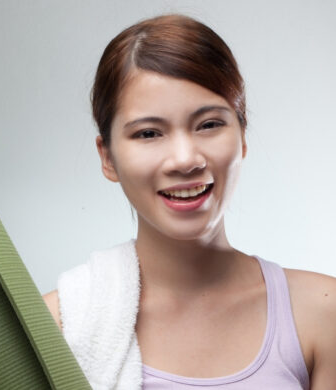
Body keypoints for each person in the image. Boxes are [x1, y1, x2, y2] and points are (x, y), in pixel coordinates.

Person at [43, 13, 336, 389]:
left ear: (242, 136)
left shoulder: (321, 313)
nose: (185, 159)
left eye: (209, 124)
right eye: (148, 133)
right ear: (108, 157)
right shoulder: (59, 326)